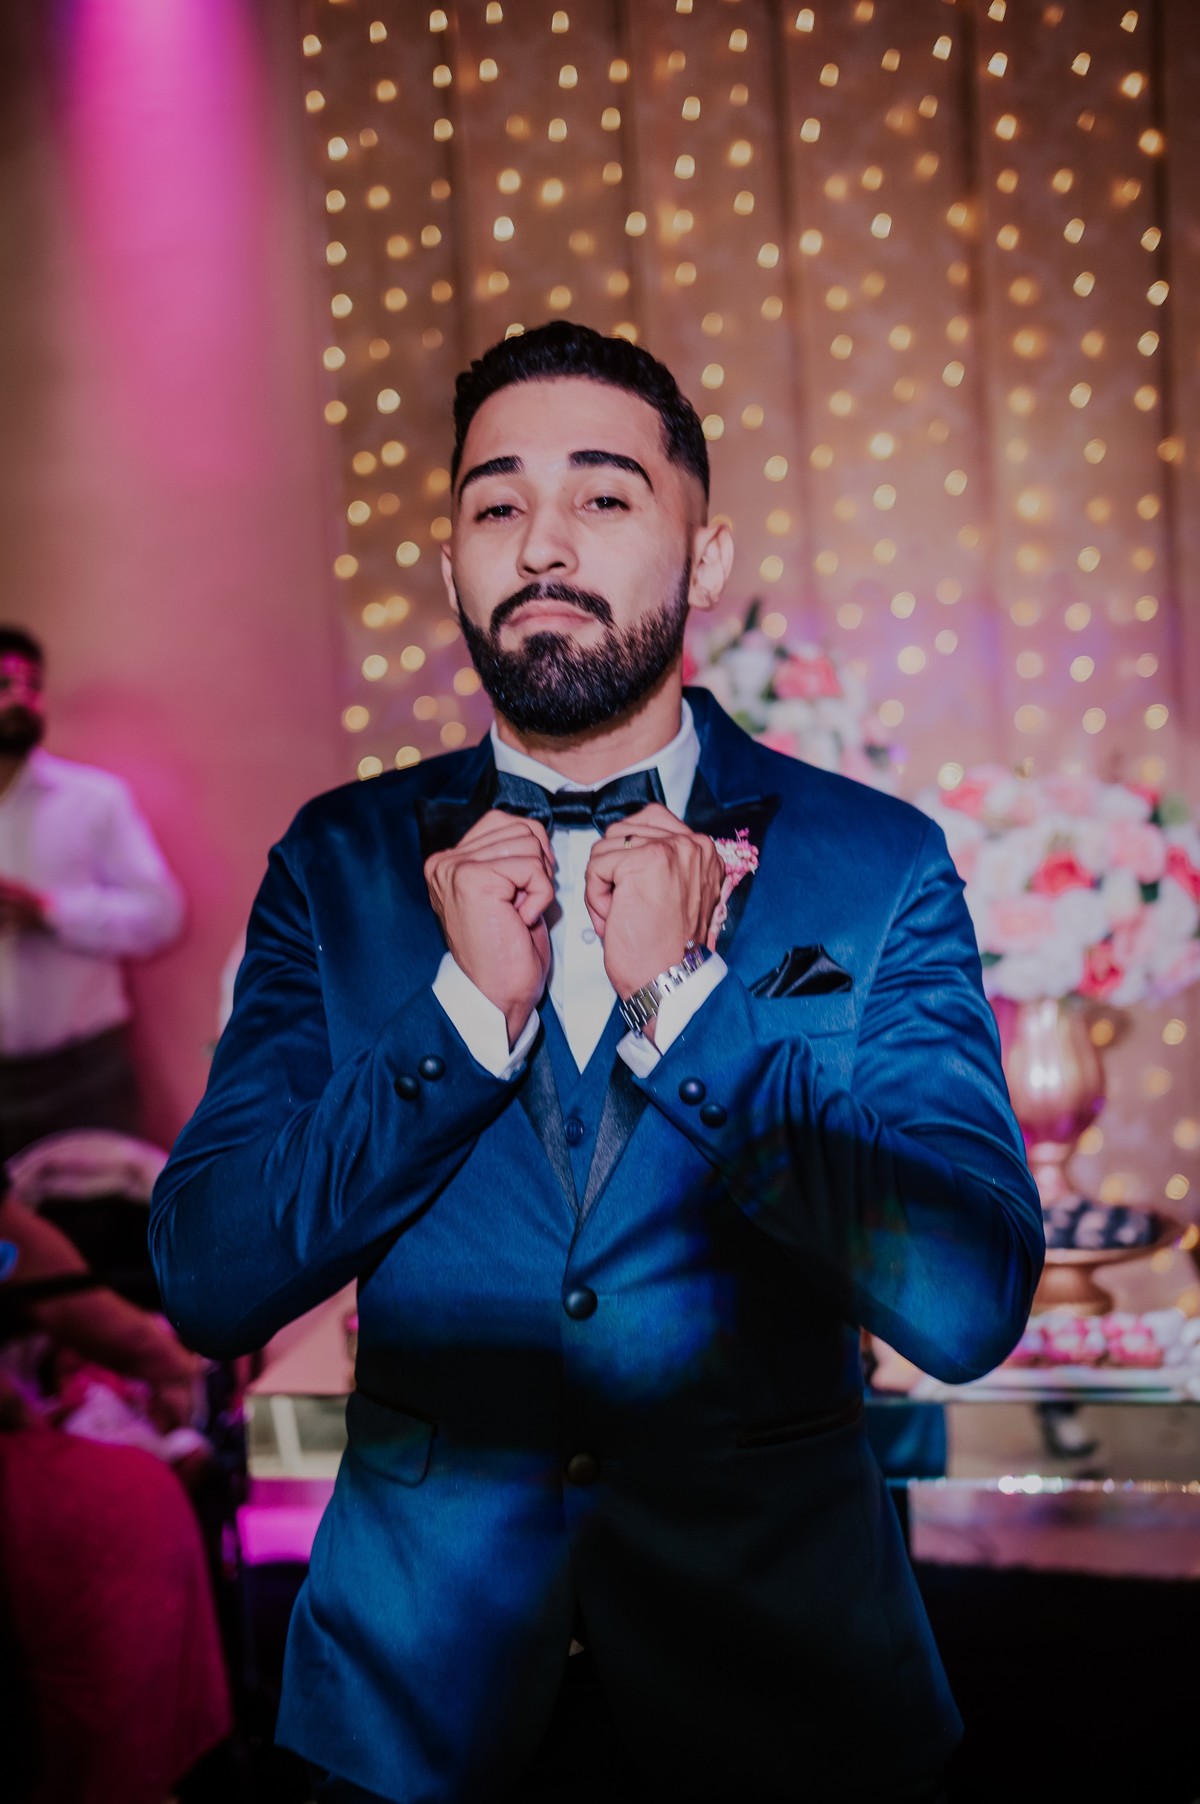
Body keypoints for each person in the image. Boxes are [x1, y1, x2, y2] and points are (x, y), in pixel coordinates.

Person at [150, 322, 1043, 1804]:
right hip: (407, 1714)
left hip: (789, 1706)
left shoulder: (878, 864)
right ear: (453, 565)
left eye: (604, 496)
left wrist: (692, 1004)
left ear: (703, 554)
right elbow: (207, 1273)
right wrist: (461, 1023)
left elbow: (966, 1297)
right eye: (496, 503)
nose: (542, 544)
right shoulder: (336, 864)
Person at [0, 627, 184, 1160]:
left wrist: (52, 913)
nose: (22, 698)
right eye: (4, 685)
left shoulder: (93, 800)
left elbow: (161, 916)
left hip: (84, 1074)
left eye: (32, 685)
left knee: (105, 1213)